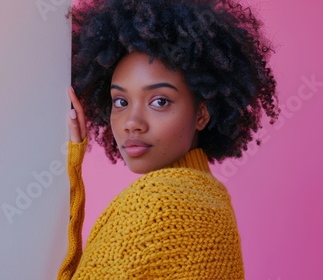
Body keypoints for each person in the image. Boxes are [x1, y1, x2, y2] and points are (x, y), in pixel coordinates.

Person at [57, 0, 279, 279]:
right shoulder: (212, 200)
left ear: (202, 113)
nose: (132, 123)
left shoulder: (158, 202)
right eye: (121, 101)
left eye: (159, 101)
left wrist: (71, 166)